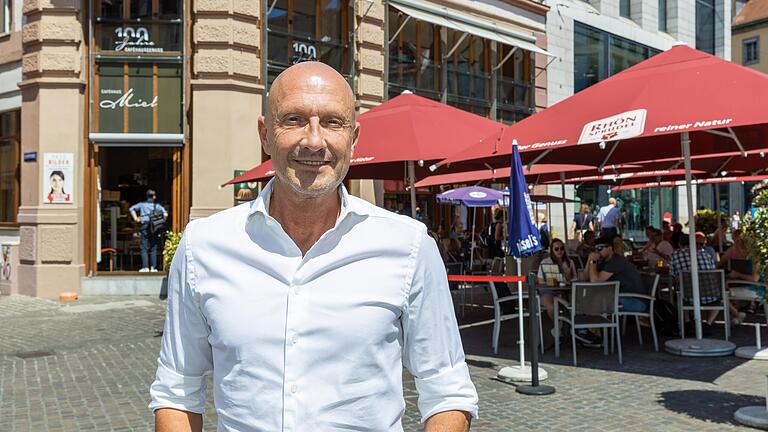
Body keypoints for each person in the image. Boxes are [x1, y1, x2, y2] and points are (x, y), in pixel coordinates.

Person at [149, 62, 477, 431]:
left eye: (333, 123)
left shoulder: (409, 246)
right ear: (264, 133)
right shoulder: (204, 245)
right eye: (293, 119)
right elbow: (176, 392)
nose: (314, 140)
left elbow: (447, 391)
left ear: (353, 138)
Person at [584, 235, 648, 346]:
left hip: (636, 301)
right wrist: (589, 260)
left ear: (610, 248)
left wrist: (593, 262)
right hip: (623, 297)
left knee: (598, 299)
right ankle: (595, 335)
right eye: (595, 249)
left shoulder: (616, 261)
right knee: (590, 297)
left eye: (600, 248)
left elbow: (595, 281)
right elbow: (585, 278)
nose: (597, 252)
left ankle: (591, 332)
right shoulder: (605, 262)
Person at [537, 239, 577, 323]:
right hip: (548, 291)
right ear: (552, 250)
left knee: (574, 305)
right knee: (551, 307)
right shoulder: (545, 262)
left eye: (562, 248)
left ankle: (570, 326)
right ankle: (559, 327)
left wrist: (568, 278)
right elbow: (540, 280)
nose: (559, 251)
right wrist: (551, 282)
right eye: (556, 249)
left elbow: (574, 280)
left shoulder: (569, 262)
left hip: (566, 292)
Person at [130, 189, 168, 272]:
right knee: (153, 246)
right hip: (154, 226)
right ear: (154, 196)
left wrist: (136, 218)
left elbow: (131, 209)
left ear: (147, 196)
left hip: (145, 225)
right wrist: (162, 221)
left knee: (144, 246)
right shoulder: (157, 205)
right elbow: (165, 214)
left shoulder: (142, 204)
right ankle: (153, 268)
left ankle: (145, 267)